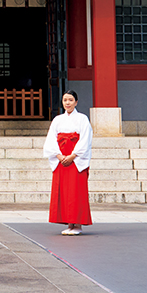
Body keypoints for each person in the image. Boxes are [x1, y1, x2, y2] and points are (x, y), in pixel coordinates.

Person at [43, 89, 92, 235]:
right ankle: (69, 223)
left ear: (76, 102)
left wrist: (72, 156)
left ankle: (77, 224)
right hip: (61, 159)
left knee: (76, 191)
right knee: (64, 192)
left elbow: (85, 139)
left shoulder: (82, 119)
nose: (68, 103)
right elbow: (51, 139)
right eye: (65, 100)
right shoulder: (57, 120)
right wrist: (58, 156)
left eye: (70, 100)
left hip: (75, 159)